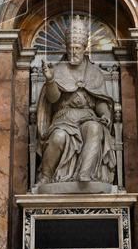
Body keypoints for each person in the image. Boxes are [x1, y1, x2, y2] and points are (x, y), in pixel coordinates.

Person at [35, 16, 114, 186]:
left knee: (94, 128)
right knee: (58, 137)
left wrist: (105, 115)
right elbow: (52, 98)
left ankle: (85, 175)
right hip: (64, 118)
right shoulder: (58, 69)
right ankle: (46, 175)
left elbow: (100, 101)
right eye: (71, 48)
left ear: (85, 48)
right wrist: (50, 80)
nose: (73, 52)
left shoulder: (95, 72)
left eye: (77, 48)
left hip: (87, 117)